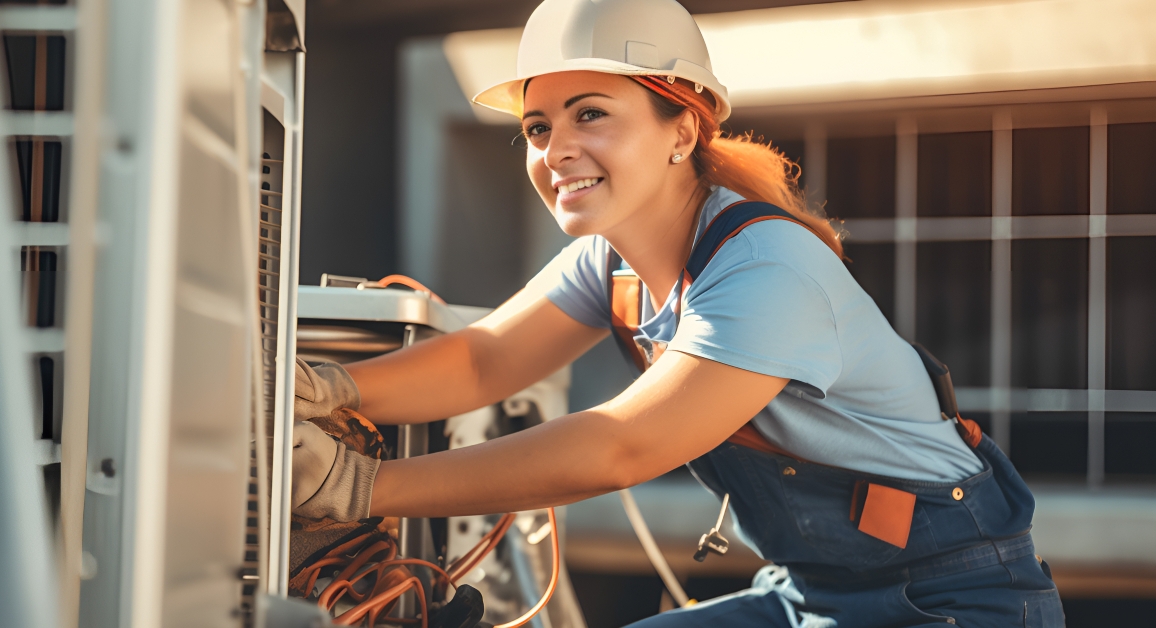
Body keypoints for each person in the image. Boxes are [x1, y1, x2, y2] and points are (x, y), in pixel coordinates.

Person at [290, 0, 1064, 625]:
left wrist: (363, 489)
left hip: (950, 599)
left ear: (682, 129)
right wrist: (327, 386)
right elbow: (483, 358)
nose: (555, 149)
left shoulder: (765, 268)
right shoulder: (615, 261)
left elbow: (622, 447)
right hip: (812, 593)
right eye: (537, 126)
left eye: (589, 114)